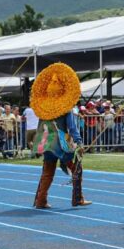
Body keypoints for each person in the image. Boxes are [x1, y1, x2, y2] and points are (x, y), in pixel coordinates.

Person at [31, 62, 90, 208]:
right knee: (76, 168)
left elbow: (40, 127)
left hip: (46, 141)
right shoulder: (66, 107)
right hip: (61, 142)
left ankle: (40, 200)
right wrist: (79, 142)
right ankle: (77, 199)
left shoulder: (43, 108)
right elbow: (72, 127)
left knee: (47, 171)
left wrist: (38, 144)